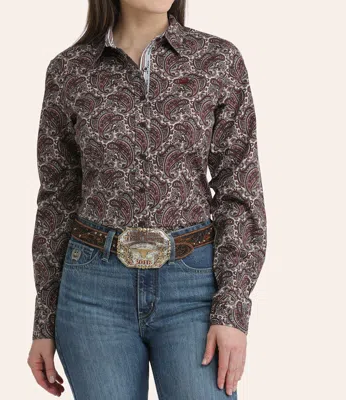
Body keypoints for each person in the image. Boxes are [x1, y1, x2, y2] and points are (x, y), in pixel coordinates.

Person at [27, 1, 267, 399]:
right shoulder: (69, 71)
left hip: (194, 290)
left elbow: (240, 191)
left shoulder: (217, 61)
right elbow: (57, 199)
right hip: (92, 293)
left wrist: (232, 310)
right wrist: (43, 322)